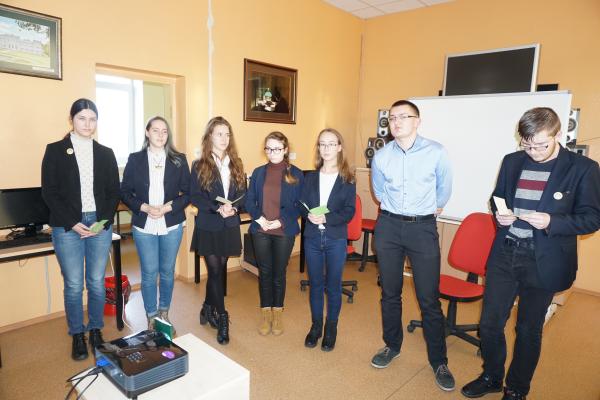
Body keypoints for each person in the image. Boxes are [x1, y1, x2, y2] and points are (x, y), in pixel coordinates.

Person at [461, 107, 600, 400]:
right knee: (489, 324)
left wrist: (552, 221)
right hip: (506, 253)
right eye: (527, 145)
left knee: (527, 329)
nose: (533, 152)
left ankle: (516, 389)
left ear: (557, 134)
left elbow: (591, 218)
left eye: (541, 145)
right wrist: (500, 214)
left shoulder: (582, 168)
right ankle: (491, 376)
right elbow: (497, 197)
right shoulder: (512, 161)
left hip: (544, 260)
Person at [370, 100, 454, 391]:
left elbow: (444, 191)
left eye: (403, 117)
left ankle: (439, 361)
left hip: (422, 228)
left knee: (429, 298)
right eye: (392, 117)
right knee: (390, 293)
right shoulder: (382, 156)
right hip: (389, 227)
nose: (396, 122)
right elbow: (379, 193)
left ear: (417, 121)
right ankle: (391, 346)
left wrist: (428, 209)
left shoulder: (436, 152)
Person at [41, 98, 120, 360]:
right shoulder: (55, 150)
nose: (87, 124)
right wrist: (72, 222)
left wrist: (102, 222)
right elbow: (49, 192)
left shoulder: (106, 153)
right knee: (74, 284)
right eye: (82, 118)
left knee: (96, 281)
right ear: (71, 120)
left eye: (92, 119)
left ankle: (95, 329)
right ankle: (77, 333)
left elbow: (113, 192)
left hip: (99, 223)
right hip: (67, 226)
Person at [120, 116, 190, 334]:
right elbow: (124, 191)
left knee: (167, 271)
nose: (160, 135)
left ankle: (164, 314)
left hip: (171, 224)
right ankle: (151, 317)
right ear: (147, 133)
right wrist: (144, 207)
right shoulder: (135, 159)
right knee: (149, 273)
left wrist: (168, 208)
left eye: (164, 131)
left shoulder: (179, 159)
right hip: (144, 225)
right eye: (156, 130)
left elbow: (189, 193)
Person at [190, 116, 246, 345]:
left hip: (229, 224)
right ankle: (222, 316)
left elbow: (243, 193)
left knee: (217, 270)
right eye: (219, 134)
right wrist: (216, 208)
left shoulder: (237, 163)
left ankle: (206, 307)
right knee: (214, 271)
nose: (224, 138)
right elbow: (195, 196)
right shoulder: (199, 164)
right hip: (209, 224)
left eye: (227, 134)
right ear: (210, 136)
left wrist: (235, 208)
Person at [300, 128, 355, 352]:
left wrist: (326, 217)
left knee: (333, 286)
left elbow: (349, 211)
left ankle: (331, 328)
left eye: (331, 144)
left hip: (335, 239)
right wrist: (308, 215)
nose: (326, 148)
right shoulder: (310, 177)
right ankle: (316, 327)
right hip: (313, 238)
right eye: (322, 144)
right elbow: (301, 205)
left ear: (339, 147)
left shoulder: (347, 179)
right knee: (315, 285)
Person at [245, 131, 303, 336]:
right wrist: (259, 218)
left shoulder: (296, 174)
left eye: (277, 149)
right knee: (265, 272)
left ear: (285, 149)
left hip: (283, 230)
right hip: (261, 229)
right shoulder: (258, 172)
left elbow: (299, 205)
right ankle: (266, 312)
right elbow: (249, 200)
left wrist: (280, 221)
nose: (272, 153)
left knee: (279, 273)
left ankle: (277, 313)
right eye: (268, 149)